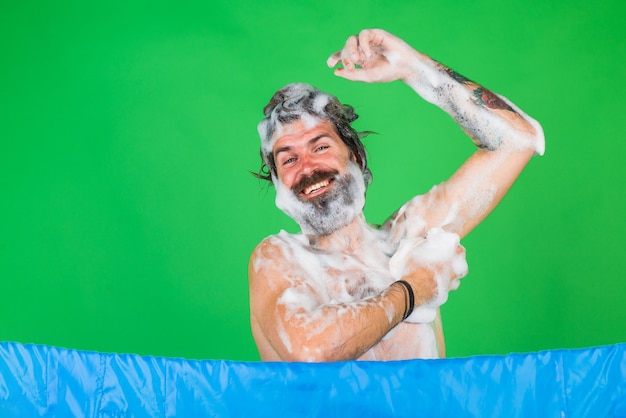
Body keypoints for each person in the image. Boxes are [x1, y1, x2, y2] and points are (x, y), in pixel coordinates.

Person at [249, 29, 544, 362]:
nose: (307, 167)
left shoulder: (406, 241)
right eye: (288, 158)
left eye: (320, 146)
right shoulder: (277, 258)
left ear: (356, 158)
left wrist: (415, 69)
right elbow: (312, 348)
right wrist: (415, 289)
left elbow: (518, 140)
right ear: (278, 181)